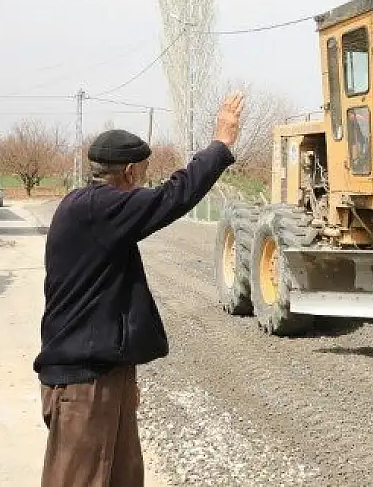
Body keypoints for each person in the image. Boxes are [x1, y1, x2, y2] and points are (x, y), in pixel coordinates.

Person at [33, 92, 245, 487]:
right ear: (129, 172)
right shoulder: (101, 208)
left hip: (105, 374)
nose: (145, 182)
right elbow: (173, 197)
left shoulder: (87, 207)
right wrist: (221, 145)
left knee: (123, 477)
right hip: (84, 382)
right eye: (144, 174)